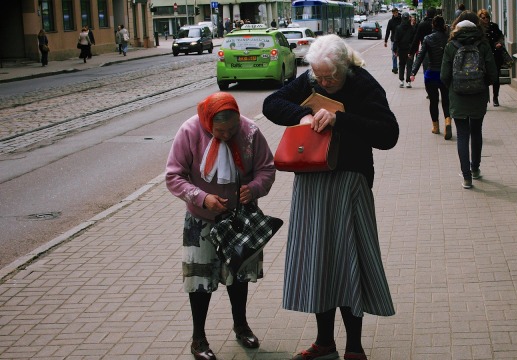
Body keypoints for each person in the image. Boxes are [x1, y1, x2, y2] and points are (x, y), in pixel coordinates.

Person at [262, 34, 398, 360]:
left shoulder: (362, 83)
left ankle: (354, 348)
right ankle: (325, 343)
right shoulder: (312, 79)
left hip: (350, 183)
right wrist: (302, 116)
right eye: (319, 77)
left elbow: (388, 133)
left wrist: (340, 120)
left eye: (330, 77)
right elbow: (271, 104)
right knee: (318, 265)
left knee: (348, 263)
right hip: (312, 184)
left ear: (344, 67)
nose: (324, 82)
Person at [166, 92, 276, 360]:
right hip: (201, 220)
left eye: (231, 130)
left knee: (238, 277)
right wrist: (203, 198)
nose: (227, 135)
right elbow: (173, 176)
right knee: (200, 279)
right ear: (207, 123)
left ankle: (241, 326)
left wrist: (254, 188)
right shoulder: (190, 131)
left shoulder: (250, 132)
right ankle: (198, 339)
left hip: (240, 219)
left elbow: (267, 169)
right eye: (220, 131)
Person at [440, 11, 498, 189]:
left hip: (457, 97)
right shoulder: (483, 44)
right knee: (476, 131)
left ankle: (466, 178)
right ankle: (475, 168)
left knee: (462, 135)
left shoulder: (451, 46)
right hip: (479, 96)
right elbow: (493, 74)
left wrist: (455, 86)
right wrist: (481, 84)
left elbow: (444, 76)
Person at [410, 15, 452, 139]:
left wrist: (413, 72)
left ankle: (435, 127)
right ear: (444, 25)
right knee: (446, 100)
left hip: (431, 74)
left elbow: (420, 56)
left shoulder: (428, 39)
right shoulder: (449, 38)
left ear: (433, 25)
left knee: (433, 101)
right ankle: (448, 121)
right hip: (445, 74)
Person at [478, 9, 505, 106]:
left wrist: (499, 43)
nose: (486, 19)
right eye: (484, 18)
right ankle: (484, 98)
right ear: (480, 18)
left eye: (487, 17)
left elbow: (501, 36)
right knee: (484, 78)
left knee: (496, 77)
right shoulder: (478, 29)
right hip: (484, 56)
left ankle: (495, 97)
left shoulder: (494, 26)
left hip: (495, 56)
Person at [410, 7, 436, 74]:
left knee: (427, 70)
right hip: (437, 50)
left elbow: (416, 39)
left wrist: (411, 52)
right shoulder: (437, 24)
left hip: (426, 50)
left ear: (426, 14)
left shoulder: (422, 24)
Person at [394, 12, 416, 88]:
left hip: (401, 49)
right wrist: (414, 50)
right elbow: (414, 41)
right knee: (409, 65)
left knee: (401, 65)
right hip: (410, 50)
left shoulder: (398, 28)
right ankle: (408, 81)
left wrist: (395, 50)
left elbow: (396, 40)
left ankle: (401, 81)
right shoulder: (412, 28)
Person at [384, 8, 401, 74]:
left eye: (396, 12)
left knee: (400, 54)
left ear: (397, 12)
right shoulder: (391, 21)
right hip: (393, 39)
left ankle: (400, 66)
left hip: (400, 39)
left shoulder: (401, 20)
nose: (395, 14)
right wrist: (385, 41)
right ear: (392, 13)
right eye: (394, 13)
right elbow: (388, 31)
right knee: (394, 54)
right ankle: (395, 67)